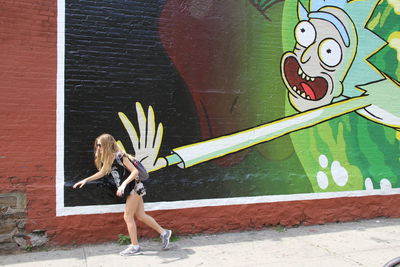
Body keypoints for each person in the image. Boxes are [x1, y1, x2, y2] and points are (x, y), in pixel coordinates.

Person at [73, 133, 172, 256]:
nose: (98, 148)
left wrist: (123, 184)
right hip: (133, 188)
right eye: (97, 145)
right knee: (141, 215)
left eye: (100, 145)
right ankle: (164, 233)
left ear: (107, 144)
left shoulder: (120, 157)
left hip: (134, 188)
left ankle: (135, 247)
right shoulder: (109, 158)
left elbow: (135, 172)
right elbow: (102, 172)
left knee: (127, 216)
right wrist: (86, 180)